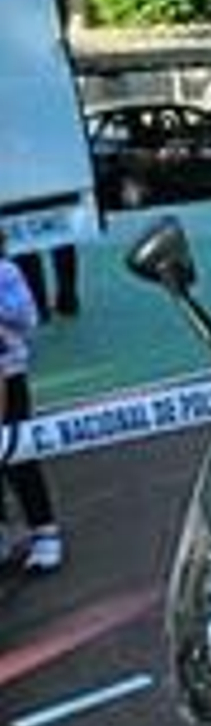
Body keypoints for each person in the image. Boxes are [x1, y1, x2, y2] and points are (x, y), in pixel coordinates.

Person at [0, 230, 63, 573]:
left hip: (8, 376)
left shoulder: (6, 272)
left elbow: (28, 317)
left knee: (18, 453)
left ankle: (45, 533)